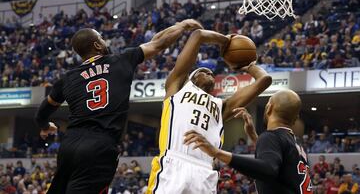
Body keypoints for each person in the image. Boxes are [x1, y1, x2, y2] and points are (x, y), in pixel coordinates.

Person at [34, 19, 203, 194]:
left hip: (69, 145)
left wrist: (45, 126)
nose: (104, 41)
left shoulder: (67, 78)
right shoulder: (120, 60)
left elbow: (42, 112)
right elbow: (159, 44)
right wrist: (182, 26)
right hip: (99, 147)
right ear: (97, 45)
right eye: (101, 38)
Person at [147, 29, 272, 193]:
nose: (209, 72)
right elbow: (198, 35)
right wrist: (225, 41)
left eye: (211, 72)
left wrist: (248, 65)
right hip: (173, 162)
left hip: (205, 171)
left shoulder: (222, 106)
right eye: (203, 71)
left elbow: (264, 80)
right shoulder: (176, 88)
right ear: (190, 79)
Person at [184, 89, 314, 194]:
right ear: (295, 118)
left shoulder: (271, 136)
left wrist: (217, 152)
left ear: (269, 108)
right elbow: (273, 159)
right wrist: (253, 136)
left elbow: (268, 169)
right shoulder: (296, 144)